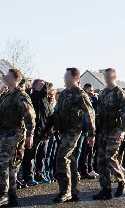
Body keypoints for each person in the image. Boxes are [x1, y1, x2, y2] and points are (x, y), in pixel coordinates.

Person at [0, 68, 34, 207]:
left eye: (8, 76)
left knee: (1, 162)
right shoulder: (8, 95)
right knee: (9, 164)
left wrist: (30, 134)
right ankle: (11, 195)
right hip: (4, 133)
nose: (5, 78)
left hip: (14, 132)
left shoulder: (20, 95)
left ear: (16, 79)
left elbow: (29, 114)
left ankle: (3, 194)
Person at [51, 68, 95, 203]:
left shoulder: (80, 94)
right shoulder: (64, 93)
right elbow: (56, 112)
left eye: (67, 76)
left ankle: (65, 191)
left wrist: (91, 134)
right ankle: (73, 191)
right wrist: (49, 128)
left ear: (75, 78)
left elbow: (89, 113)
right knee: (71, 159)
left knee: (62, 157)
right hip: (63, 130)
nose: (64, 78)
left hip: (74, 130)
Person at [90, 68, 125, 200]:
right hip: (103, 130)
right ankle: (105, 189)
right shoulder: (103, 93)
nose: (106, 78)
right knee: (101, 160)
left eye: (108, 76)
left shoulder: (119, 92)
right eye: (105, 76)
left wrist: (122, 129)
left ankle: (122, 181)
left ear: (114, 77)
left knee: (110, 157)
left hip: (115, 130)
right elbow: (99, 112)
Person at [23, 79, 52, 186]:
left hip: (45, 131)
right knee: (31, 155)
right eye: (41, 85)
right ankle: (29, 176)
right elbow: (47, 88)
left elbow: (49, 115)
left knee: (42, 155)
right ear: (34, 87)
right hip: (35, 131)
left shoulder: (45, 100)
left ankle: (39, 174)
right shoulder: (33, 97)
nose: (44, 87)